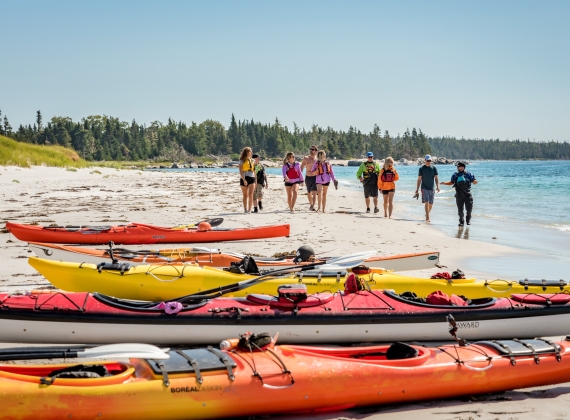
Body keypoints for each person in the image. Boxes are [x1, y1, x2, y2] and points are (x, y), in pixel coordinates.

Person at [442, 161, 478, 226]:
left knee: (469, 210)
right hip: (459, 195)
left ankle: (468, 219)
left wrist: (475, 181)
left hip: (468, 195)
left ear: (464, 167)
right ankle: (461, 222)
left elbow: (473, 180)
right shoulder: (455, 175)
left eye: (462, 167)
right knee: (460, 211)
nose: (460, 168)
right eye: (459, 167)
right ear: (457, 168)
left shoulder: (468, 174)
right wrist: (445, 183)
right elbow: (451, 182)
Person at [415, 154, 440, 223]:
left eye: (430, 160)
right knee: (427, 202)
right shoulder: (421, 169)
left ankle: (427, 214)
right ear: (425, 160)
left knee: (431, 204)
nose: (428, 161)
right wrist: (417, 189)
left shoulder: (434, 168)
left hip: (431, 188)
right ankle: (428, 218)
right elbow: (419, 179)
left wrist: (438, 186)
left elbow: (436, 178)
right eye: (427, 160)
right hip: (424, 188)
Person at [238, 147, 256, 214]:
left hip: (251, 178)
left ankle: (249, 209)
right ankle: (245, 209)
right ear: (246, 152)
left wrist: (256, 179)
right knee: (245, 195)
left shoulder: (253, 161)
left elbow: (254, 171)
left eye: (251, 151)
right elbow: (240, 171)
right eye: (250, 151)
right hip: (244, 178)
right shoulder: (241, 160)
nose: (251, 152)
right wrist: (244, 179)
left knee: (251, 194)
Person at [301, 146, 318, 211]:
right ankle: (311, 204)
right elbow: (302, 166)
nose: (312, 150)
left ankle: (312, 206)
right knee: (309, 192)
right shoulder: (306, 158)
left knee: (314, 192)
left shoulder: (317, 159)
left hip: (315, 177)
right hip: (308, 177)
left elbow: (320, 168)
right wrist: (300, 176)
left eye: (314, 149)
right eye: (311, 149)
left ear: (316, 151)